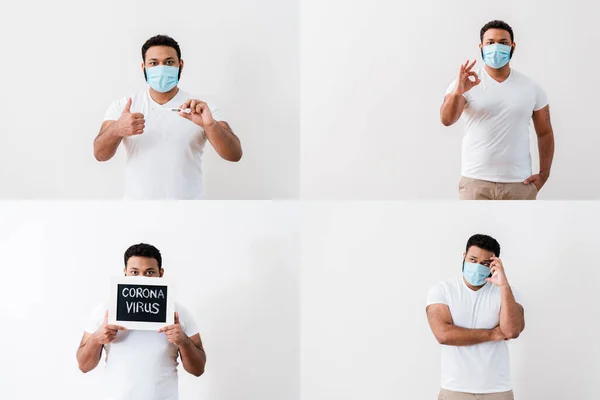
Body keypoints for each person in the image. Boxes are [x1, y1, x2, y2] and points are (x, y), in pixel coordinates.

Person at [93, 35, 242, 199]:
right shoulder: (123, 107)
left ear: (180, 65)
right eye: (154, 63)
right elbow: (100, 154)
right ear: (144, 67)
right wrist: (116, 129)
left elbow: (234, 154)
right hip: (137, 211)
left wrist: (210, 126)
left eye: (169, 62)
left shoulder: (200, 109)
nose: (161, 68)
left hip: (188, 211)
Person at [440, 20, 555, 200]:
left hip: (519, 183)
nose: (496, 47)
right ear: (481, 47)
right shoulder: (465, 83)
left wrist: (544, 174)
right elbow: (447, 119)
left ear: (512, 46)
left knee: (520, 229)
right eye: (490, 42)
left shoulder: (531, 87)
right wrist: (458, 92)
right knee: (473, 228)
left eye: (503, 43)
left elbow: (545, 132)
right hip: (475, 182)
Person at [76, 243, 206, 400]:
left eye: (149, 272)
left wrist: (183, 341)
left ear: (161, 273)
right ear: (125, 273)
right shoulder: (104, 310)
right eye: (134, 272)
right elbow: (84, 366)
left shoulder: (179, 313)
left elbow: (198, 369)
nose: (142, 278)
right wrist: (96, 339)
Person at [426, 234, 525, 399]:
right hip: (455, 388)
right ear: (464, 257)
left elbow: (512, 331)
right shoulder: (443, 290)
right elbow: (443, 335)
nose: (477, 266)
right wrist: (493, 334)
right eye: (473, 260)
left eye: (485, 263)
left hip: (498, 389)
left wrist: (504, 286)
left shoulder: (507, 293)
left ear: (494, 265)